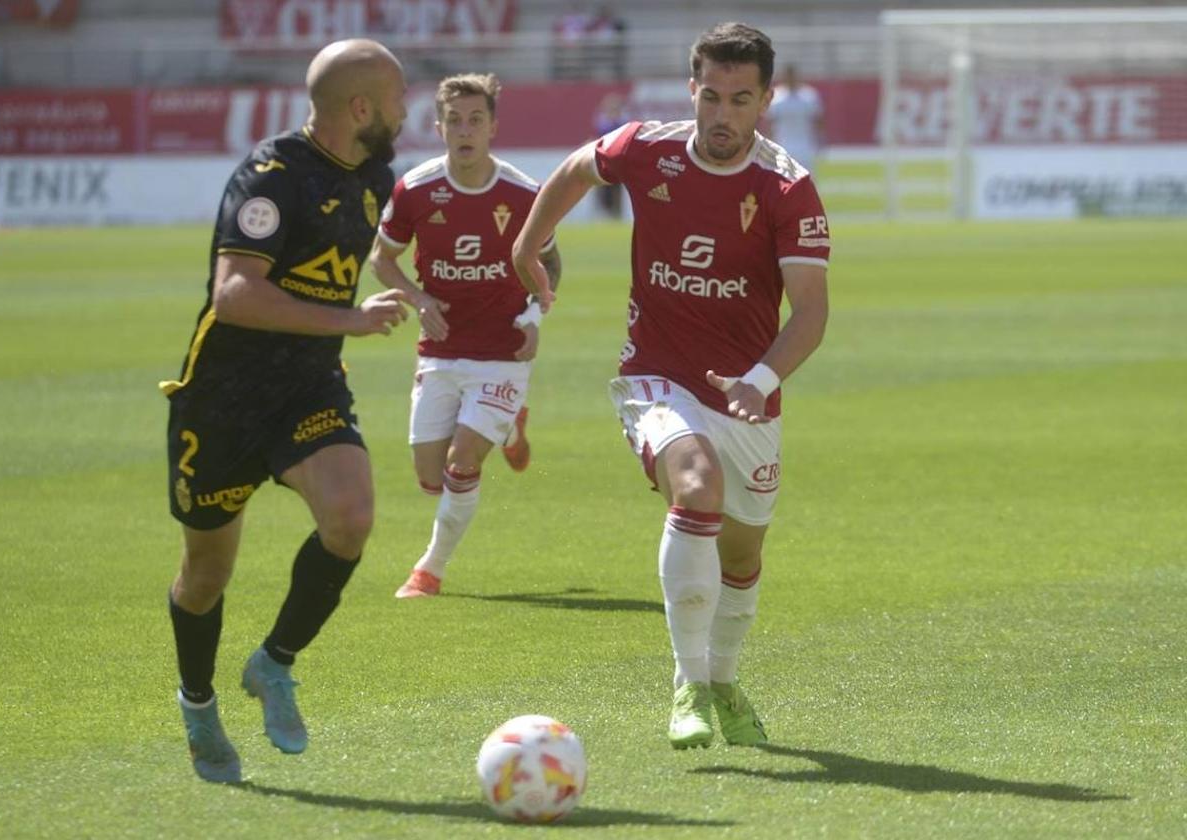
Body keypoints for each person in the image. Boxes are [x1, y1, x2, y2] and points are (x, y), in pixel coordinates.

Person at [513, 22, 829, 750]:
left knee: (743, 556)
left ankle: (722, 680)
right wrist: (530, 242)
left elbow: (810, 312)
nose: (722, 115)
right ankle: (687, 682)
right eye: (710, 97)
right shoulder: (647, 148)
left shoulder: (786, 187)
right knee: (694, 484)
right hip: (654, 377)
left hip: (748, 394)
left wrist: (760, 378)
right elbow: (576, 168)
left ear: (766, 100)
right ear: (692, 90)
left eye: (739, 99)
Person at [159, 39, 410, 783]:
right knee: (205, 576)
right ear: (360, 108)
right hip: (223, 401)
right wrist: (352, 321)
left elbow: (339, 254)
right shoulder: (271, 175)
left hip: (307, 389)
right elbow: (235, 294)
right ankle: (198, 705)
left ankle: (273, 663)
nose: (405, 109)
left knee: (351, 517)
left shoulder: (375, 174)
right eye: (397, 97)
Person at [369, 73, 561, 599]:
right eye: (454, 120)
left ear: (493, 127)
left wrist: (535, 317)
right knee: (430, 477)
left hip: (503, 351)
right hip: (441, 348)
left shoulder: (523, 193)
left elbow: (551, 262)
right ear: (438, 127)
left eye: (476, 119)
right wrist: (419, 298)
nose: (465, 130)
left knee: (461, 462)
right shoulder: (415, 189)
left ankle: (428, 571)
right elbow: (380, 260)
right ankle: (510, 427)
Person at [767, 63, 824, 173]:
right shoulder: (777, 97)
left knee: (806, 180)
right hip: (783, 145)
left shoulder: (809, 96)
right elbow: (771, 124)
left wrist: (820, 141)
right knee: (784, 181)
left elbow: (818, 121)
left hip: (805, 146)